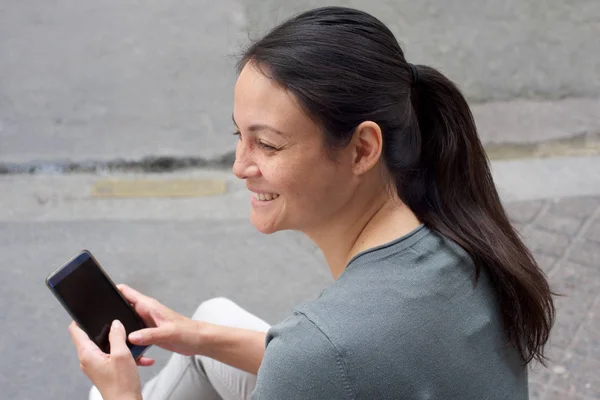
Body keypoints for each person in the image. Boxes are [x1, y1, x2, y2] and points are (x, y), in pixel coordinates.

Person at [68, 6, 555, 400]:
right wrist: (193, 335)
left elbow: (324, 363)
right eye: (240, 136)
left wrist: (120, 397)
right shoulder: (463, 241)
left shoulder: (323, 347)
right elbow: (348, 369)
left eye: (269, 145)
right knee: (213, 319)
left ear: (363, 148)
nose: (240, 166)